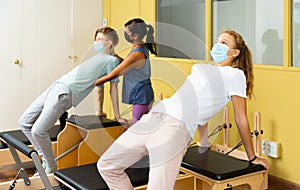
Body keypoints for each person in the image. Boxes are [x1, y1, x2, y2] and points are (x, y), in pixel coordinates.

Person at [97, 29, 269, 190]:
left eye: (224, 42)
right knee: (107, 165)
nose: (217, 45)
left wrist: (252, 156)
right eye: (217, 41)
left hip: (174, 129)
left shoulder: (235, 75)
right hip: (153, 118)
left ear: (235, 52)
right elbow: (198, 102)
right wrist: (204, 140)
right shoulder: (201, 68)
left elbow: (241, 118)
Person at [18, 26, 127, 174]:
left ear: (110, 43)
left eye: (100, 39)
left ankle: (50, 165)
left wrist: (118, 115)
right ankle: (45, 159)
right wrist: (99, 110)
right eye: (95, 39)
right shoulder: (96, 58)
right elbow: (98, 88)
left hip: (64, 93)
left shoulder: (111, 61)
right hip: (55, 86)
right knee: (24, 122)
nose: (96, 42)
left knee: (38, 131)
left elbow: (112, 89)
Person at [95, 18, 157, 125]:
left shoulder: (137, 54)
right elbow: (127, 64)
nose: (125, 35)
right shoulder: (139, 47)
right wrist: (114, 55)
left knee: (137, 127)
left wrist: (94, 82)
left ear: (135, 36)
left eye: (127, 33)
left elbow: (115, 73)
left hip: (142, 96)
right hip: (141, 94)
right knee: (137, 124)